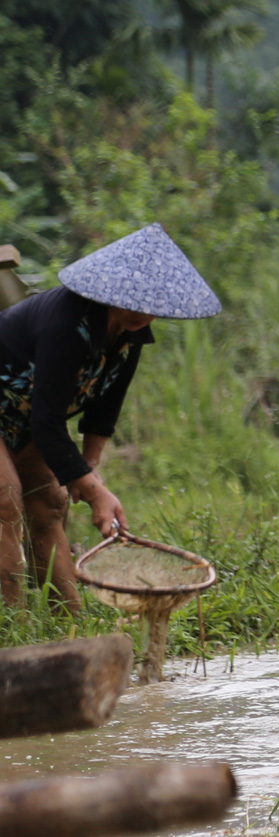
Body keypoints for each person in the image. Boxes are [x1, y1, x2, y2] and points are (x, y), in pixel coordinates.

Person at [0, 222, 220, 609]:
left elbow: (104, 408)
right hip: (21, 410)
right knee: (5, 500)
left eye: (152, 305)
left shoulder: (131, 336)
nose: (142, 313)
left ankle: (68, 622)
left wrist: (90, 468)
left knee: (51, 501)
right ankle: (11, 628)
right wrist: (96, 491)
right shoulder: (66, 324)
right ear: (110, 291)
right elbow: (48, 423)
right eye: (133, 300)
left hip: (23, 414)